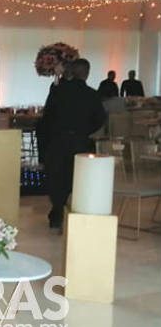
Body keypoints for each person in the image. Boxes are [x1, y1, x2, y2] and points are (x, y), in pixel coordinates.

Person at [42, 58, 106, 230]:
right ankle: (73, 212)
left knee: (57, 176)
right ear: (87, 73)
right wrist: (85, 131)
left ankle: (57, 210)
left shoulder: (58, 91)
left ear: (72, 72)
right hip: (80, 142)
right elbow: (100, 119)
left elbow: (47, 116)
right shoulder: (92, 94)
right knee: (75, 177)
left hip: (58, 140)